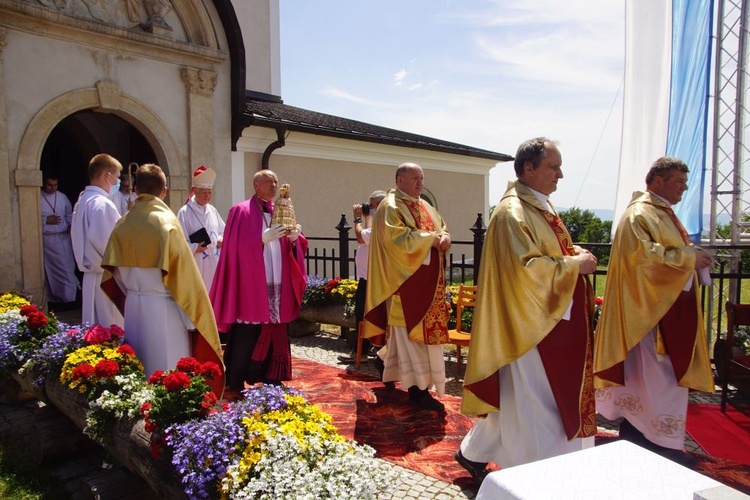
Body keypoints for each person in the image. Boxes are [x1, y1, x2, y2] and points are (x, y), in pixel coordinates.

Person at [456, 137, 599, 481]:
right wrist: (574, 266)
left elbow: (549, 250)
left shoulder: (539, 206)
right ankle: (534, 478)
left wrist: (573, 253)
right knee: (537, 405)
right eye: (554, 166)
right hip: (529, 325)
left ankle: (472, 453)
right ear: (528, 168)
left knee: (519, 400)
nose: (560, 174)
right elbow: (525, 270)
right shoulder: (512, 213)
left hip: (548, 320)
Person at [593, 156, 714, 460]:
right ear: (657, 181)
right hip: (649, 317)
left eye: (685, 184)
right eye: (678, 182)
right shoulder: (640, 215)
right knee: (657, 379)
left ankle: (644, 433)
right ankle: (657, 440)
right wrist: (688, 258)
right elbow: (644, 259)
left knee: (653, 379)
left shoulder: (662, 213)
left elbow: (667, 252)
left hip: (665, 312)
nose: (683, 189)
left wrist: (693, 257)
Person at [100, 164, 224, 394]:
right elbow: (183, 277)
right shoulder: (167, 224)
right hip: (165, 308)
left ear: (136, 190)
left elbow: (112, 272)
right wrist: (193, 321)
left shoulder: (122, 223)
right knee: (167, 372)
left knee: (139, 364)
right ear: (164, 191)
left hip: (135, 305)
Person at [362, 162, 451, 412]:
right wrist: (432, 240)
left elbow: (441, 228)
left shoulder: (424, 205)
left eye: (422, 178)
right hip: (405, 286)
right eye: (415, 179)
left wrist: (445, 237)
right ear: (400, 181)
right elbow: (396, 239)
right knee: (412, 340)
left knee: (416, 340)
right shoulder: (391, 206)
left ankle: (383, 360)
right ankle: (418, 391)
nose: (420, 183)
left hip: (429, 286)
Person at [210, 169, 307, 396]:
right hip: (253, 280)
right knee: (248, 330)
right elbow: (233, 248)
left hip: (278, 277)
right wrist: (261, 239)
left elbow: (297, 244)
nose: (274, 185)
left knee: (276, 328)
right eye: (268, 181)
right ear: (256, 185)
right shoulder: (240, 211)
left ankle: (272, 376)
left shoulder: (281, 209)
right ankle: (237, 378)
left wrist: (295, 240)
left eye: (275, 181)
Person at [71, 154, 124, 328]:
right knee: (110, 329)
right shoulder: (103, 204)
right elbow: (111, 246)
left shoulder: (82, 201)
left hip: (91, 275)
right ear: (106, 176)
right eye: (116, 177)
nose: (117, 182)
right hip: (106, 277)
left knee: (94, 329)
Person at [338, 190, 386, 364]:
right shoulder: (379, 224)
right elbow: (367, 233)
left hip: (370, 280)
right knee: (366, 316)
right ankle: (367, 349)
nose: (369, 207)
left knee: (363, 317)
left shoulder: (382, 226)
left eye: (372, 205)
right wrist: (367, 216)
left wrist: (357, 218)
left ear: (380, 205)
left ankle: (361, 353)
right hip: (369, 277)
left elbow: (360, 236)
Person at [177, 166, 225, 292]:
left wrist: (221, 239)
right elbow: (179, 241)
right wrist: (194, 248)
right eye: (204, 192)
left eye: (209, 192)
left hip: (214, 263)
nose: (207, 196)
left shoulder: (212, 210)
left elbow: (222, 231)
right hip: (197, 263)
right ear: (195, 191)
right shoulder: (185, 212)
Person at [40, 173, 78, 306]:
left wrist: (70, 226)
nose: (52, 188)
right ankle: (58, 299)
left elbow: (69, 214)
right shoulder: (37, 197)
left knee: (68, 268)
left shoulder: (62, 197)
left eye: (55, 185)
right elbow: (30, 218)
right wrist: (45, 220)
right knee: (55, 270)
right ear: (43, 183)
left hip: (64, 238)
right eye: (50, 185)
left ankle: (70, 299)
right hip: (49, 241)